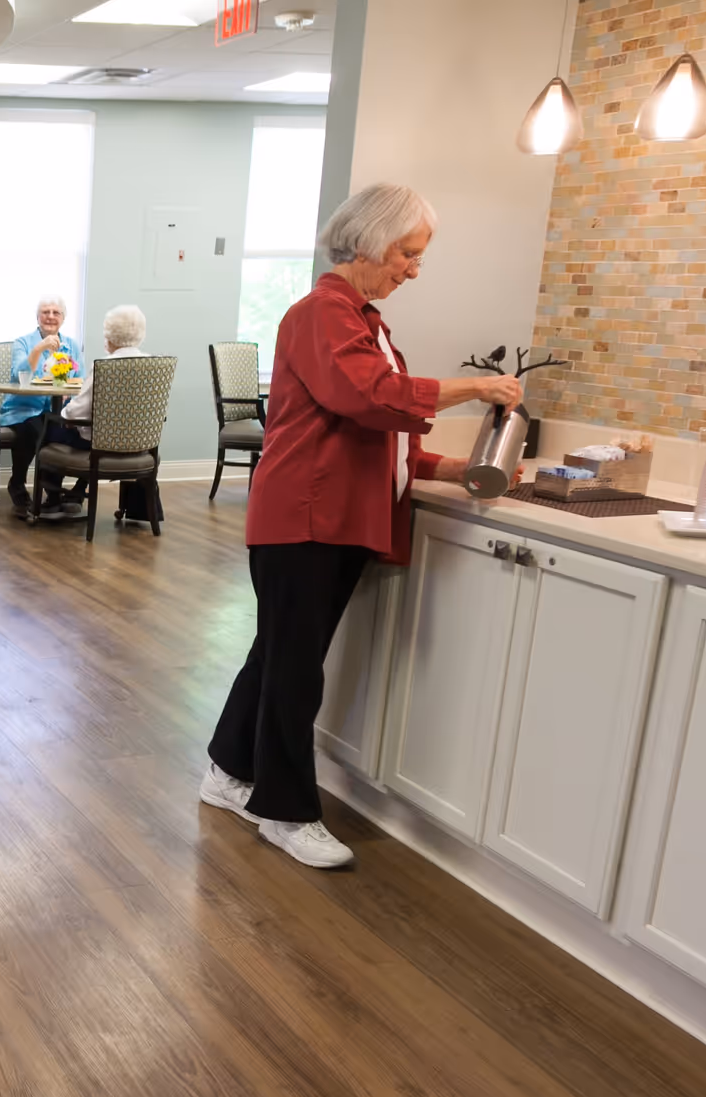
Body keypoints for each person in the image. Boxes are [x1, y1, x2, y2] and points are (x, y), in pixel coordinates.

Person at [199, 183, 524, 871]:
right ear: (372, 242)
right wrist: (475, 389)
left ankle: (228, 772)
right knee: (294, 667)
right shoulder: (323, 313)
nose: (413, 268)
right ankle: (284, 813)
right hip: (307, 518)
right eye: (408, 253)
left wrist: (455, 468)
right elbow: (368, 396)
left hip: (326, 517)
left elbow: (382, 437)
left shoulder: (361, 319)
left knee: (279, 654)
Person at [43, 303, 152, 520]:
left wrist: (63, 414)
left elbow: (75, 413)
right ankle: (76, 494)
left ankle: (53, 499)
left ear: (110, 337)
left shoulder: (105, 366)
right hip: (140, 444)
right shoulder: (152, 364)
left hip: (100, 443)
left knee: (49, 429)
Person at [0, 296, 86, 517]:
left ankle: (54, 492)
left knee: (60, 432)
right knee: (37, 430)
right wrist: (39, 349)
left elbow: (81, 380)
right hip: (23, 409)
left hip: (58, 411)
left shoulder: (71, 346)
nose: (50, 316)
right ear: (37, 317)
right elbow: (17, 376)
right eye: (45, 312)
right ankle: (18, 484)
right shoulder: (23, 343)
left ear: (63, 318)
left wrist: (69, 393)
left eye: (55, 312)